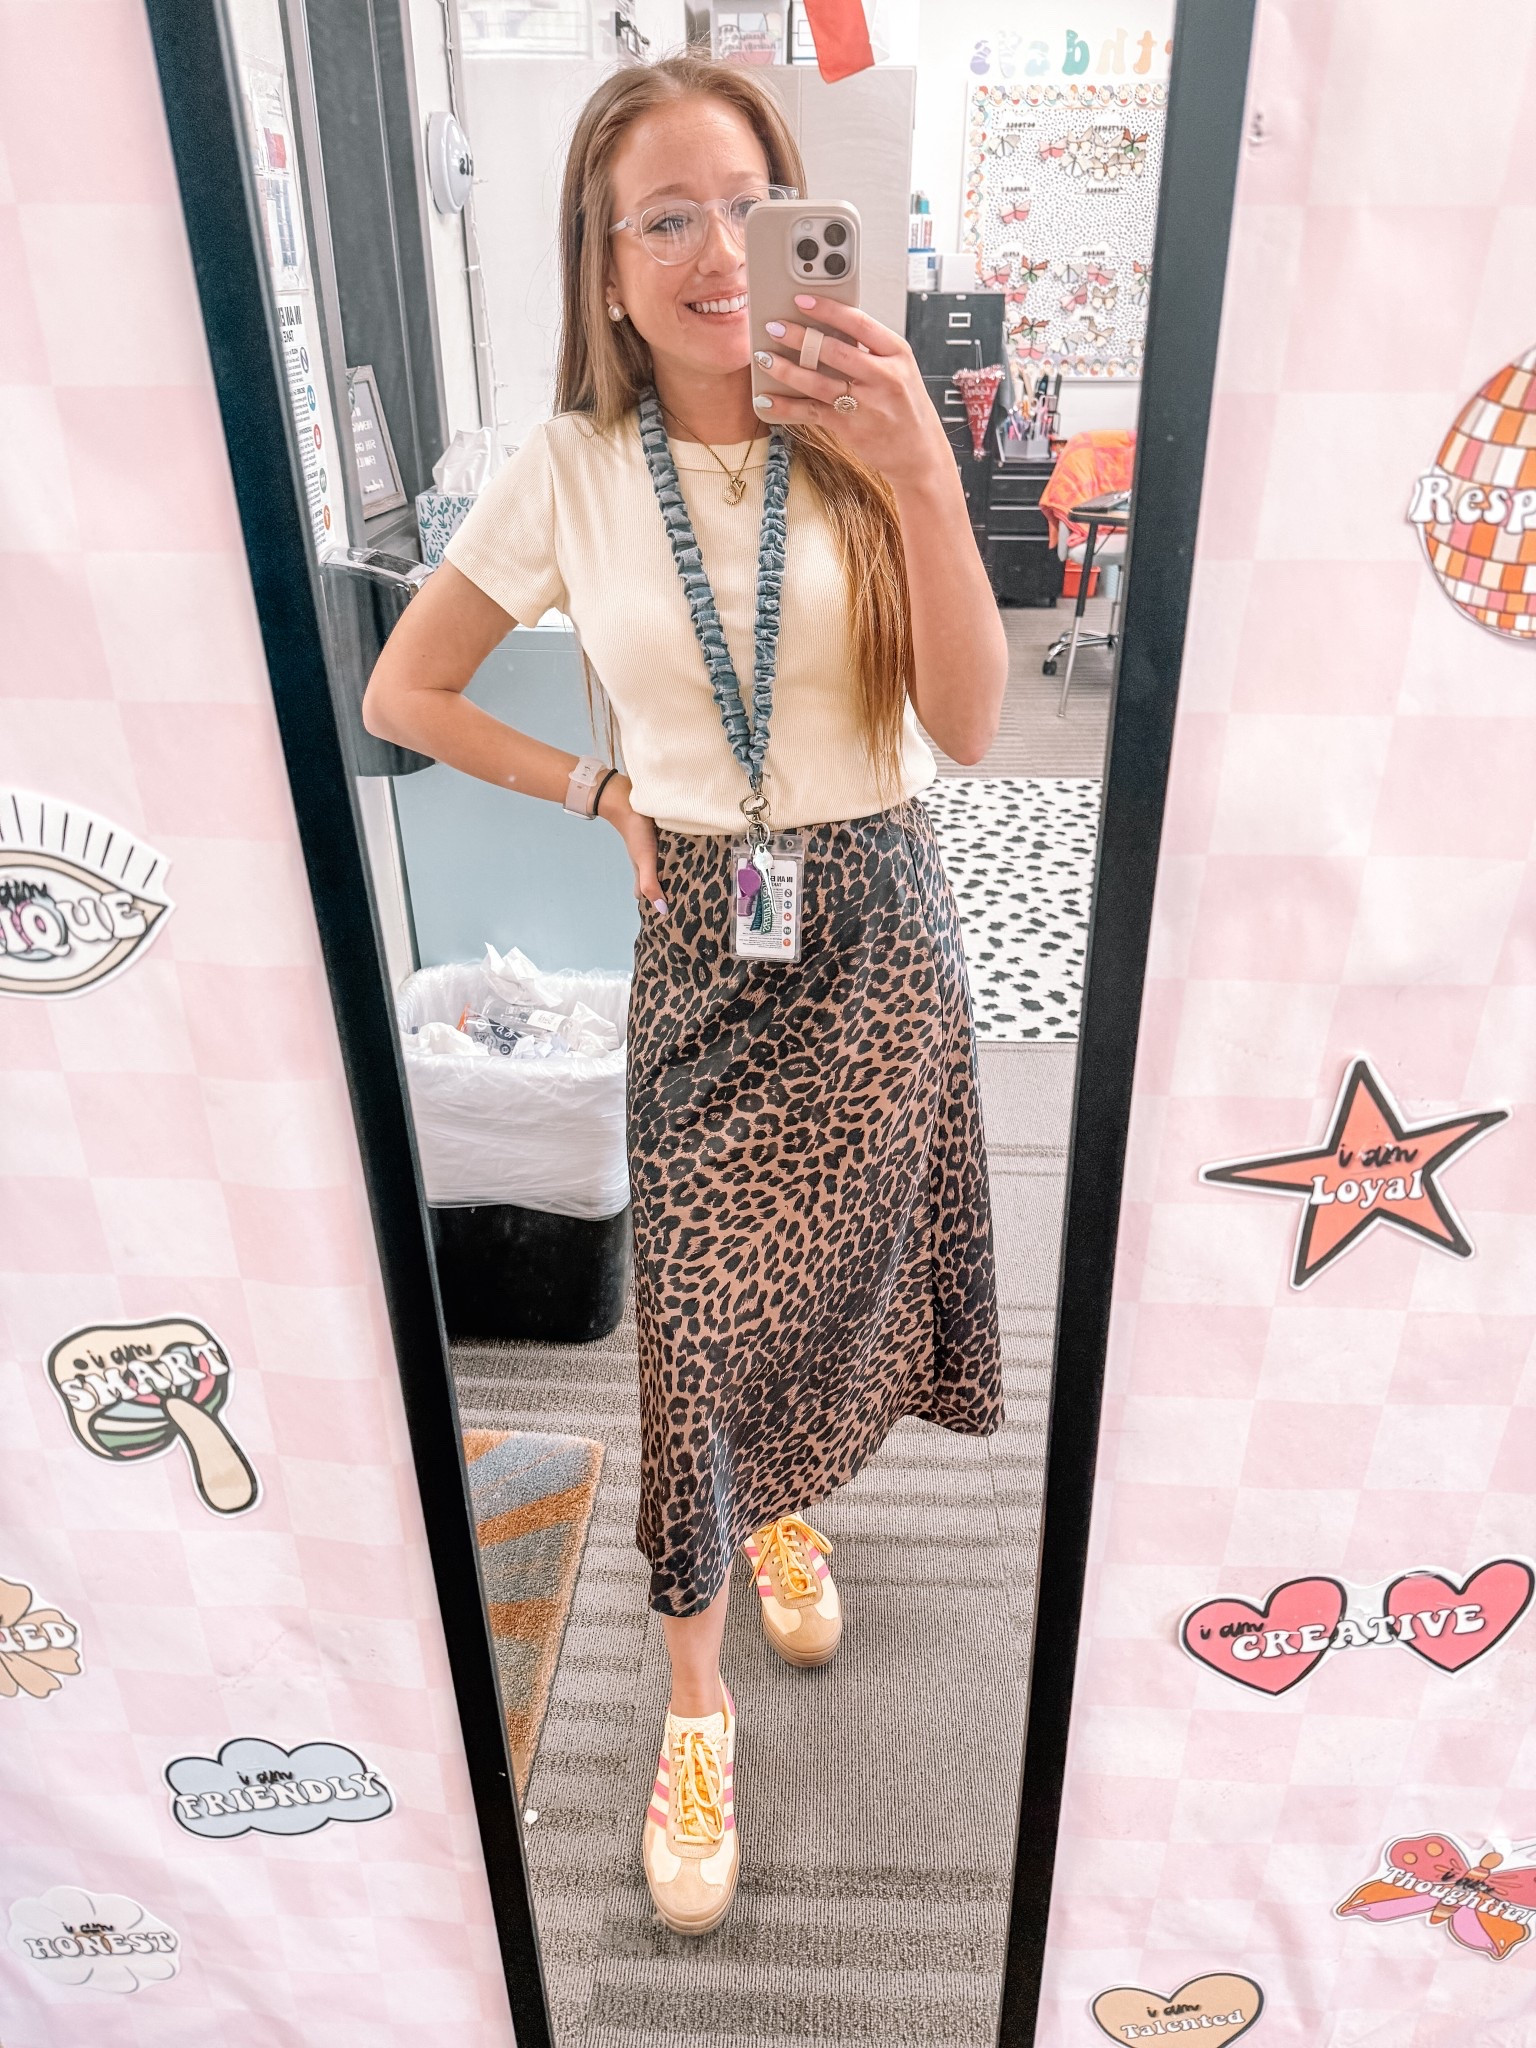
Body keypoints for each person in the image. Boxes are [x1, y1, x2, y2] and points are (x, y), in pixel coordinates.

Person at [363, 52, 1006, 1936]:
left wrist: (921, 469)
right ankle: (694, 1708)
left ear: (801, 221)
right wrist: (598, 787)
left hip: (881, 916)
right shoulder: (569, 470)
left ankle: (787, 1504)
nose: (719, 251)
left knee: (843, 1274)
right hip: (707, 933)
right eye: (666, 218)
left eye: (748, 205)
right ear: (606, 262)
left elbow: (971, 722)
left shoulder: (867, 427)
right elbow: (406, 692)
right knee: (697, 1331)